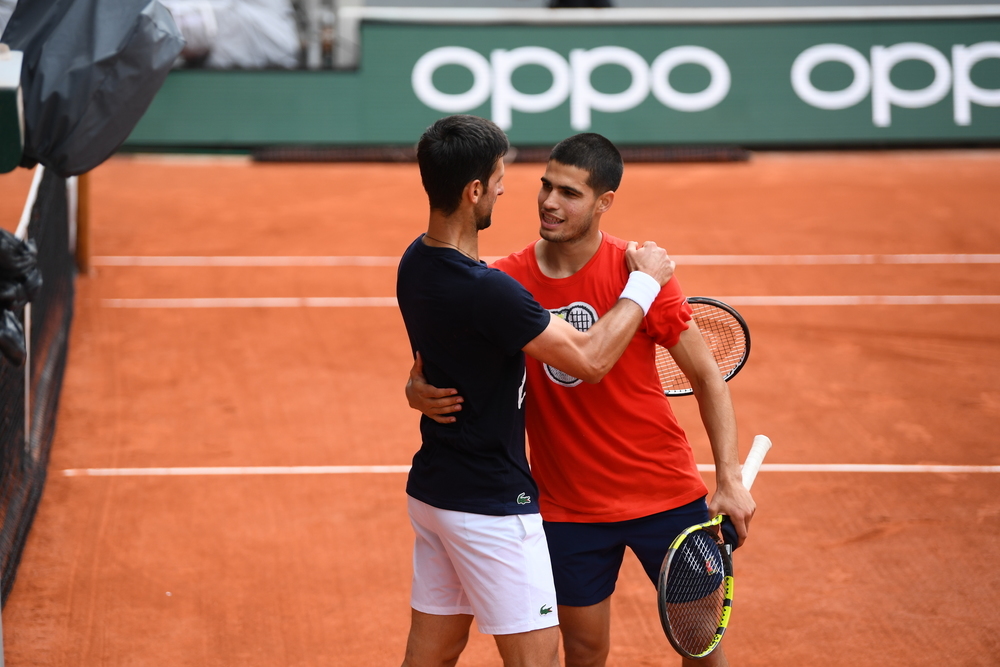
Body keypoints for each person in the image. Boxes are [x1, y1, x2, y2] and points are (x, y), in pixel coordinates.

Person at [406, 133, 756, 667]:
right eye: (545, 185)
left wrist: (729, 481)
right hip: (567, 509)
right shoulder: (505, 281)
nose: (549, 201)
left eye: (569, 192)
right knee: (585, 653)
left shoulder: (637, 272)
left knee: (700, 641)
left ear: (603, 202)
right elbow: (454, 361)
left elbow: (708, 376)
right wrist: (414, 389)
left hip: (667, 497)